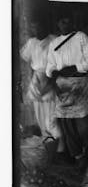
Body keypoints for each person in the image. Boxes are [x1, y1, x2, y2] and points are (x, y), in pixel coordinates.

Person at [46, 15, 88, 168]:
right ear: (58, 23)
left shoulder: (81, 37)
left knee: (85, 126)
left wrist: (75, 67)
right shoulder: (54, 43)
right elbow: (50, 67)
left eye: (68, 20)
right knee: (67, 125)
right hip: (62, 87)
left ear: (72, 22)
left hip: (79, 84)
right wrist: (54, 74)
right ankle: (79, 157)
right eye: (62, 20)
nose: (65, 23)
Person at [20, 18, 63, 148]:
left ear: (45, 27)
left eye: (39, 27)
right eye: (33, 27)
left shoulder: (54, 41)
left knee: (51, 120)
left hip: (50, 79)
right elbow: (29, 63)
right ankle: (48, 148)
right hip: (36, 81)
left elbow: (58, 66)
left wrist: (50, 82)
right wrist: (34, 83)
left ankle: (60, 148)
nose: (36, 30)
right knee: (40, 118)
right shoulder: (31, 43)